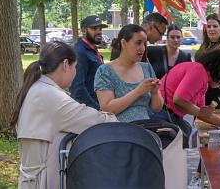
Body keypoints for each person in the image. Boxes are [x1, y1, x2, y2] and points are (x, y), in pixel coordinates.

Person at [11, 41, 117, 189]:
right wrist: (113, 117)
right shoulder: (50, 96)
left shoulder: (37, 88)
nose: (75, 72)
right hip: (45, 182)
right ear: (66, 65)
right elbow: (98, 122)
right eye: (75, 67)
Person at [157, 49, 220, 148]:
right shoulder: (198, 71)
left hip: (168, 114)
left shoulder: (201, 77)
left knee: (185, 132)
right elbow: (178, 99)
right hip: (161, 114)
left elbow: (203, 114)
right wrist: (199, 111)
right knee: (183, 139)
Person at [95, 24, 163, 122]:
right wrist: (138, 91)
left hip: (145, 129)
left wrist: (155, 92)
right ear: (124, 43)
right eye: (138, 43)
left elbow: (156, 108)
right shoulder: (105, 71)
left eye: (144, 43)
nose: (142, 48)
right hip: (118, 131)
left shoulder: (146, 67)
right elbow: (108, 109)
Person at [70, 15, 108, 109]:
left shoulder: (92, 49)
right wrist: (97, 109)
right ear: (84, 30)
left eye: (100, 29)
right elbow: (78, 89)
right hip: (90, 111)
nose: (99, 32)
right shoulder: (80, 51)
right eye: (94, 28)